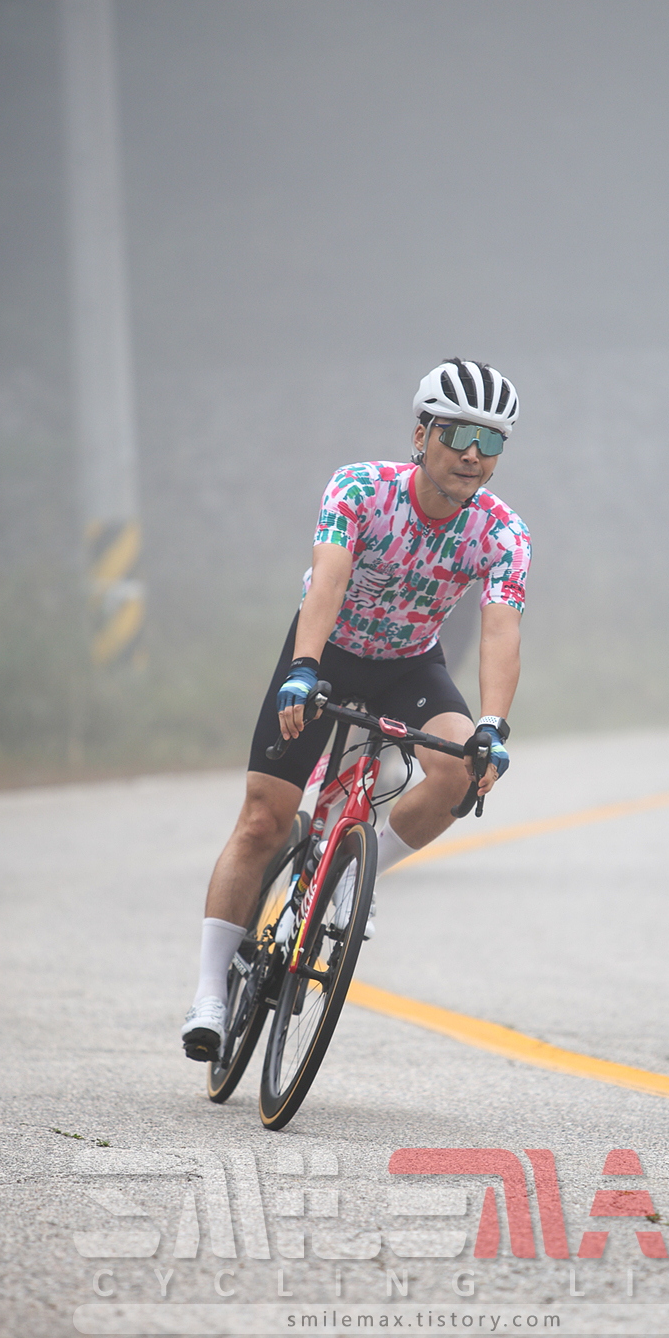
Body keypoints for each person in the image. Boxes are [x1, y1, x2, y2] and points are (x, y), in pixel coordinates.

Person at [182, 358, 532, 1060]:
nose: (473, 453)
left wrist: (492, 725)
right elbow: (330, 580)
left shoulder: (503, 533)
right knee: (263, 820)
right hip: (328, 652)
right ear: (421, 435)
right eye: (459, 433)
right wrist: (304, 669)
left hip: (409, 665)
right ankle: (210, 994)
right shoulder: (361, 489)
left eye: (491, 440)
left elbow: (501, 630)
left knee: (461, 772)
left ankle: (351, 877)